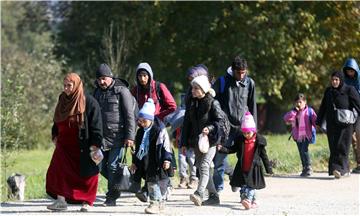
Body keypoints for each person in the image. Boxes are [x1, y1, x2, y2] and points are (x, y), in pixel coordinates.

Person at [46, 73, 103, 212]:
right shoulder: (62, 99)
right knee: (58, 171)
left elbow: (96, 124)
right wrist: (54, 134)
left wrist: (96, 144)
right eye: (64, 85)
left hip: (83, 145)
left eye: (69, 86)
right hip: (63, 145)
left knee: (88, 175)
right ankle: (61, 201)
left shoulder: (88, 102)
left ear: (76, 85)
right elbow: (57, 118)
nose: (66, 88)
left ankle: (87, 202)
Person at [131, 62, 177, 201]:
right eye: (140, 76)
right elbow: (130, 107)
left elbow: (172, 106)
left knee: (162, 152)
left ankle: (166, 183)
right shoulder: (135, 90)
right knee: (146, 155)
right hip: (144, 125)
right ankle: (147, 187)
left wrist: (157, 117)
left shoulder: (159, 87)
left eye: (145, 75)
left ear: (150, 75)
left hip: (158, 125)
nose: (142, 79)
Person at [181, 74, 228, 206]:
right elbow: (186, 124)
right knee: (202, 169)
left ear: (203, 89)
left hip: (212, 140)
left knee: (204, 166)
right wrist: (183, 143)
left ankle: (199, 193)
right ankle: (214, 197)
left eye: (196, 88)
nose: (193, 90)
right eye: (192, 88)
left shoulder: (213, 102)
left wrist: (210, 128)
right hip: (198, 142)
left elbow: (220, 121)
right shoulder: (192, 103)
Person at [93, 63, 136, 206]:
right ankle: (128, 182)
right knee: (99, 166)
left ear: (110, 77)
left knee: (112, 166)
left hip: (119, 137)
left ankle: (111, 197)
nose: (101, 82)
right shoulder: (96, 92)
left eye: (104, 78)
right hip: (101, 138)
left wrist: (130, 137)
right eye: (99, 79)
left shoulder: (122, 91)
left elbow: (129, 115)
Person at [212, 56, 257, 192]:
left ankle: (243, 188)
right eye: (239, 72)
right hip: (225, 128)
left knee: (245, 160)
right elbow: (214, 102)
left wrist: (254, 129)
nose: (241, 75)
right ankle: (217, 190)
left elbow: (252, 105)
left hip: (243, 128)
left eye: (244, 72)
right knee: (219, 159)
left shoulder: (250, 83)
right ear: (233, 70)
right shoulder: (222, 82)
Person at [217, 112, 273, 210]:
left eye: (248, 132)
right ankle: (254, 201)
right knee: (244, 184)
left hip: (254, 168)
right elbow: (232, 149)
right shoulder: (240, 140)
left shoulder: (259, 142)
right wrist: (223, 149)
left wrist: (269, 169)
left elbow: (264, 156)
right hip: (243, 167)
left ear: (253, 131)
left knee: (251, 185)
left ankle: (248, 199)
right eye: (244, 133)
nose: (246, 135)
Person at [130, 99, 173, 214]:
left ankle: (154, 204)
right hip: (146, 162)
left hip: (158, 161)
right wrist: (134, 162)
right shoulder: (140, 132)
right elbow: (138, 149)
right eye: (140, 121)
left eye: (144, 121)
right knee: (151, 183)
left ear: (150, 119)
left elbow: (166, 147)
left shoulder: (159, 130)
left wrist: (167, 160)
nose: (142, 123)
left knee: (154, 183)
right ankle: (160, 204)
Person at [316, 71, 360, 179]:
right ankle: (340, 170)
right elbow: (323, 107)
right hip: (332, 124)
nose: (334, 82)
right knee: (334, 147)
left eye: (336, 80)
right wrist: (318, 121)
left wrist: (356, 123)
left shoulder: (349, 90)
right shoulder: (328, 91)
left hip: (346, 125)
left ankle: (339, 170)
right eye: (332, 80)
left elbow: (358, 106)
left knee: (343, 147)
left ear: (340, 80)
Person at [284, 93, 317, 177]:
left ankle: (308, 167)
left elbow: (315, 120)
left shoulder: (309, 111)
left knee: (304, 150)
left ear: (305, 102)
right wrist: (293, 112)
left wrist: (318, 125)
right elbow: (285, 118)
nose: (299, 104)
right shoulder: (294, 112)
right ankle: (304, 168)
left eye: (300, 102)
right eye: (297, 102)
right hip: (297, 136)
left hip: (306, 135)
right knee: (301, 152)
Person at [342, 58, 360, 173]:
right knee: (351, 138)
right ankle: (357, 162)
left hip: (359, 112)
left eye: (352, 71)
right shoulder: (344, 81)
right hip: (349, 112)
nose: (350, 73)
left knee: (359, 136)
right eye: (348, 71)